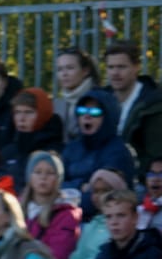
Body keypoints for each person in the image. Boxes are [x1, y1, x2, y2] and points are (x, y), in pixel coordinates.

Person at [61, 89, 137, 218]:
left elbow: (99, 199)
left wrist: (69, 193)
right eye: (82, 111)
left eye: (95, 112)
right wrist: (80, 186)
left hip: (103, 222)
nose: (87, 116)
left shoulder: (118, 152)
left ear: (108, 116)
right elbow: (53, 187)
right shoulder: (71, 148)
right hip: (66, 218)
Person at [106, 40, 162, 181]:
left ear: (136, 67)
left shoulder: (153, 104)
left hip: (139, 180)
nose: (115, 73)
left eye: (121, 67)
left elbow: (154, 155)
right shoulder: (100, 99)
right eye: (111, 67)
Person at [21, 152, 80, 259]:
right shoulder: (16, 207)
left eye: (50, 173)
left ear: (58, 179)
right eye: (38, 172)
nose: (43, 177)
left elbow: (58, 255)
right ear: (30, 177)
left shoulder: (66, 215)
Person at [0, 88, 64, 189]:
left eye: (29, 112)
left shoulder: (55, 152)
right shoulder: (8, 152)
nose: (21, 118)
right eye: (17, 112)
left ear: (43, 114)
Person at [54, 47, 101, 142]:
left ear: (85, 71)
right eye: (60, 69)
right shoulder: (56, 104)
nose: (64, 74)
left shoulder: (100, 100)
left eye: (70, 68)